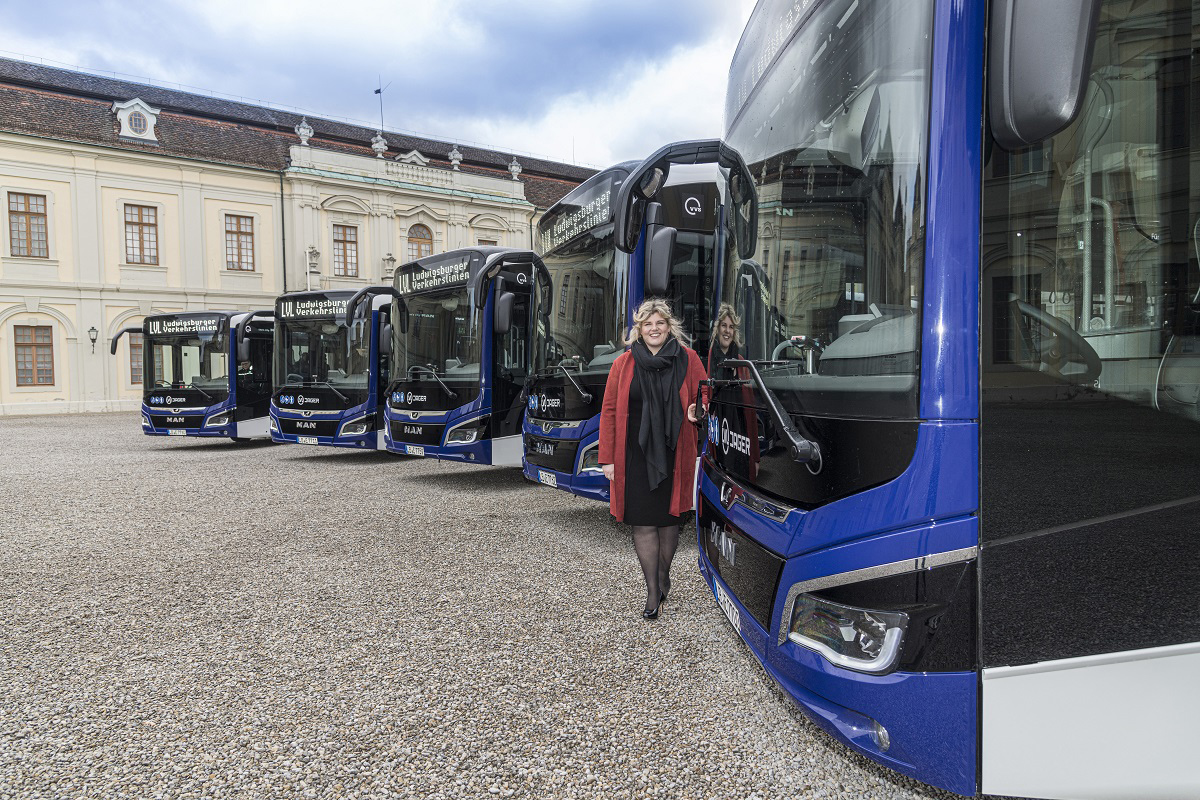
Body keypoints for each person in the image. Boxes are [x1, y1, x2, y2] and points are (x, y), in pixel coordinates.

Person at [599, 299, 707, 620]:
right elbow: (609, 410)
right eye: (648, 324)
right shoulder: (624, 363)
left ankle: (663, 573)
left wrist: (697, 410)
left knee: (669, 520)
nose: (654, 328)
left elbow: (705, 393)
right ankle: (653, 589)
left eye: (660, 323)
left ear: (669, 326)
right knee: (643, 521)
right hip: (634, 454)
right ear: (639, 329)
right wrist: (608, 459)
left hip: (674, 451)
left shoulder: (688, 358)